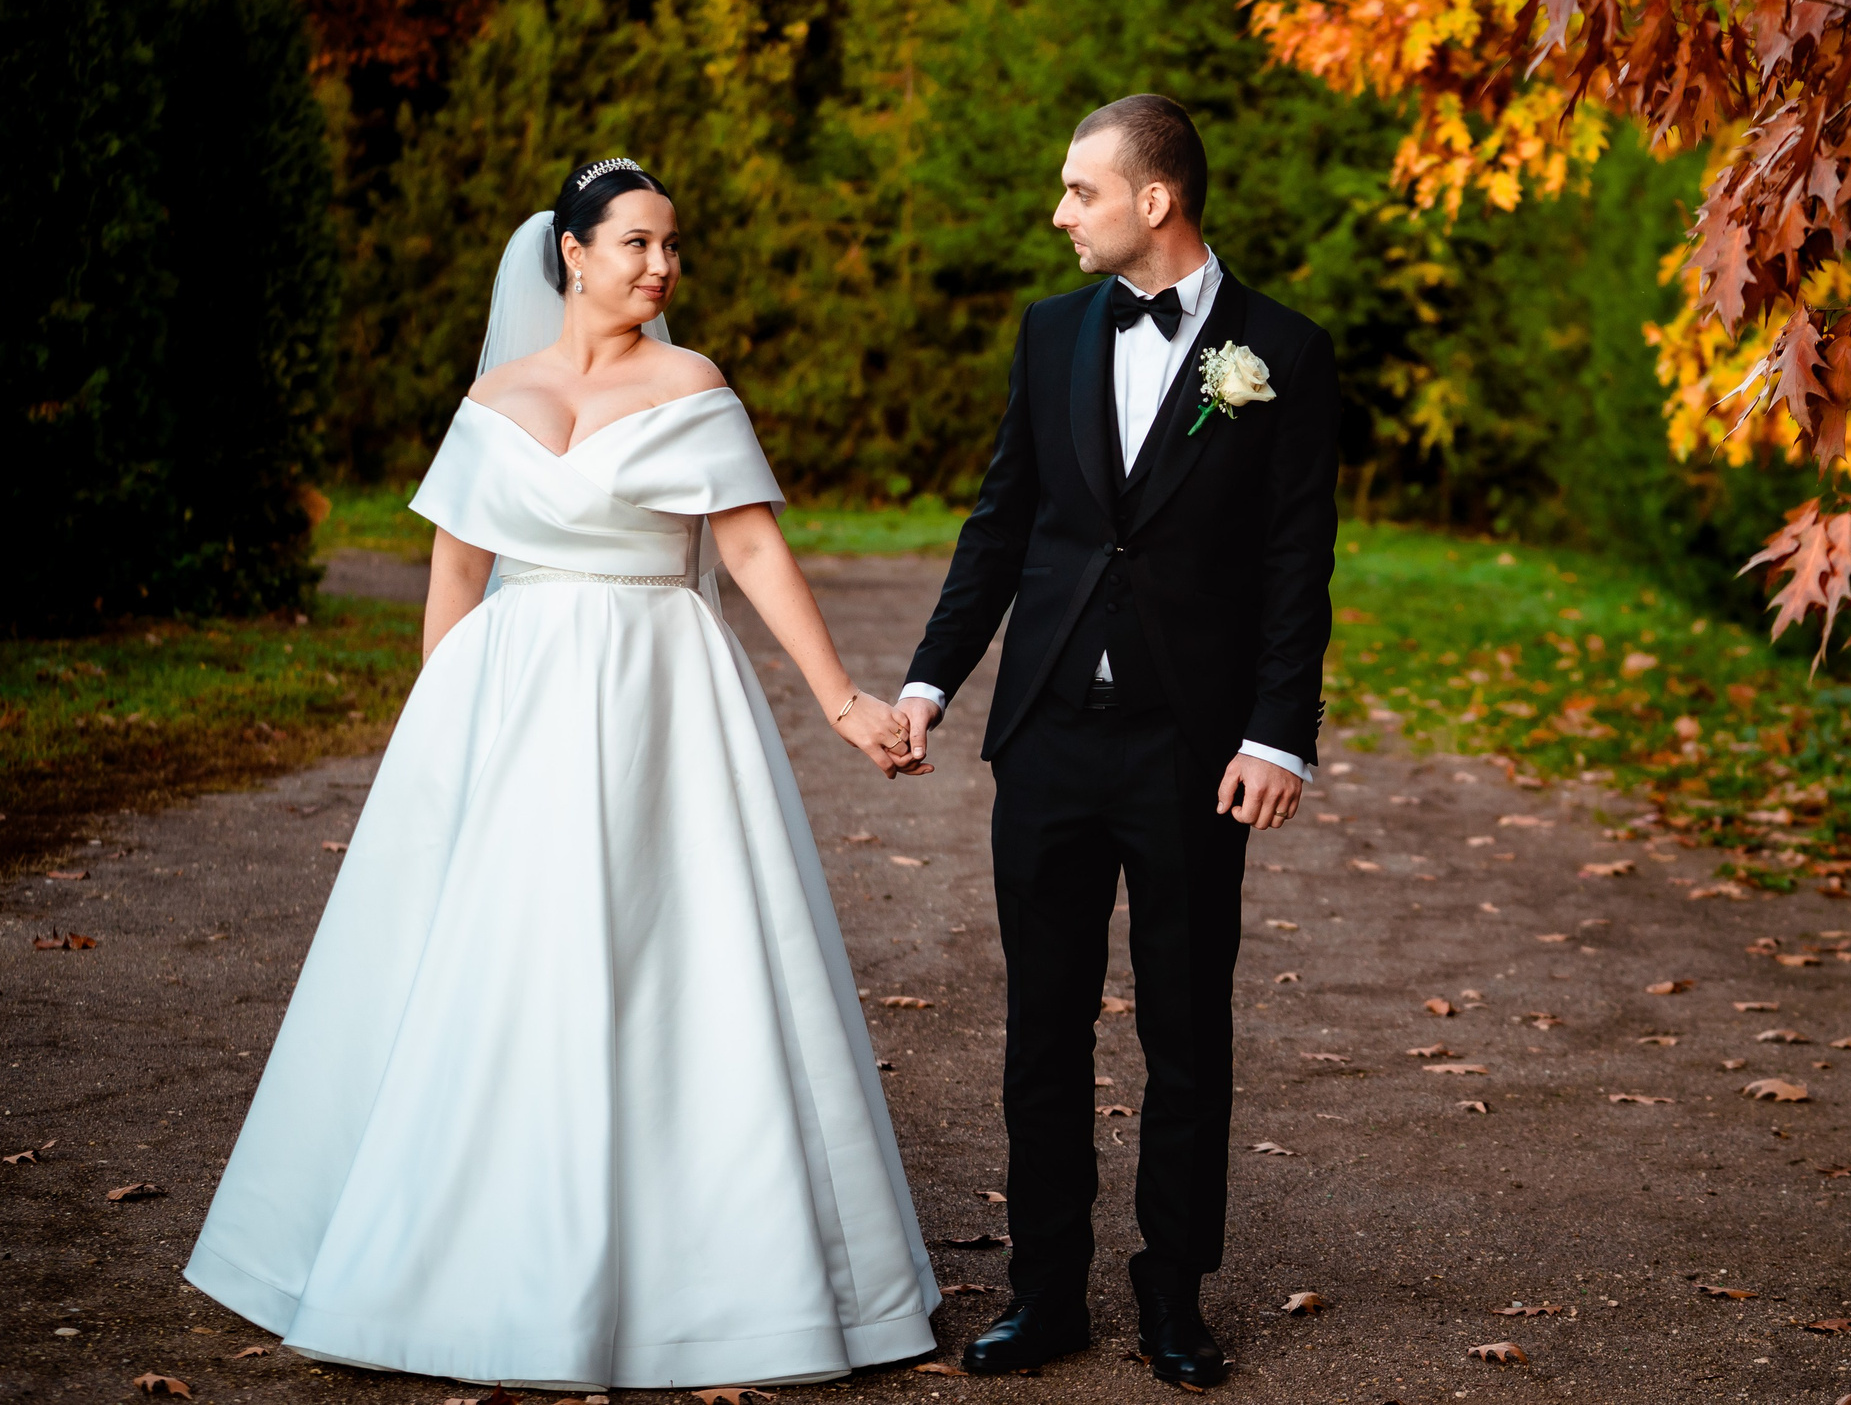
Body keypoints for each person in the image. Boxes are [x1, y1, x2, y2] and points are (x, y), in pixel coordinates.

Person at [183, 159, 941, 1389]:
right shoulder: (496, 395)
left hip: (659, 690)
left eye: (672, 247)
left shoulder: (691, 385)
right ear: (572, 256)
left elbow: (747, 545)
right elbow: (455, 572)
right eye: (636, 243)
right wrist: (440, 727)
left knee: (667, 954)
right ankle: (454, 1255)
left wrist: (841, 698)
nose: (660, 267)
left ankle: (700, 1273)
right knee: (496, 951)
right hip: (513, 694)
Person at [893, 95, 1339, 1389]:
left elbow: (1295, 564)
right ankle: (1044, 1291)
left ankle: (1173, 1293)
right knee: (1042, 1026)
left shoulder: (1285, 355)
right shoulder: (1048, 335)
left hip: (1194, 751)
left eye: (1080, 189)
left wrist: (1279, 737)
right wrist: (931, 679)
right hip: (1046, 739)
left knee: (1188, 1028)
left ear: (1155, 200)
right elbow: (999, 525)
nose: (1059, 211)